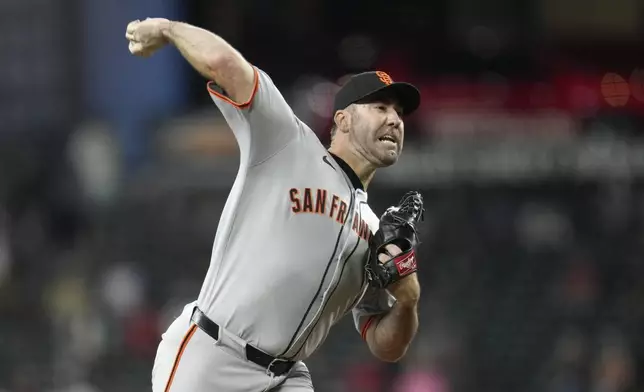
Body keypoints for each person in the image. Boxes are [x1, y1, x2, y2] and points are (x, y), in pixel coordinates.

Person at [125, 17, 423, 392]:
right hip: (215, 355)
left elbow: (387, 346)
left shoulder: (375, 232)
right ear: (343, 119)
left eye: (399, 113)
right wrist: (167, 29)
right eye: (380, 107)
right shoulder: (288, 143)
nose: (394, 120)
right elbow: (225, 65)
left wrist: (408, 299)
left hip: (285, 377)